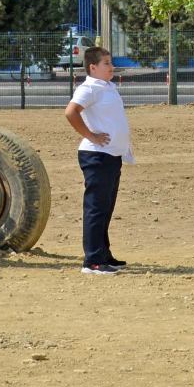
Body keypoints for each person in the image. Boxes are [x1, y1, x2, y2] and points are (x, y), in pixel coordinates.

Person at [63, 46, 134, 275]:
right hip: (96, 156)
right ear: (92, 67)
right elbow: (70, 112)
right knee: (95, 208)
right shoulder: (90, 88)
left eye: (110, 62)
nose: (111, 67)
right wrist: (91, 135)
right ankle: (92, 261)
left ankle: (104, 255)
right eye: (106, 63)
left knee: (105, 208)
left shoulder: (108, 86)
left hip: (112, 156)